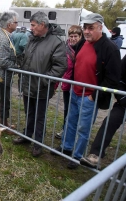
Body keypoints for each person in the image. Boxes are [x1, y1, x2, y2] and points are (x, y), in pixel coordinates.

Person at [54, 13, 121, 169]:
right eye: (85, 27)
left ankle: (77, 156)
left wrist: (93, 96)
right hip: (75, 92)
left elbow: (112, 79)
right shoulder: (83, 43)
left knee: (83, 128)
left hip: (89, 97)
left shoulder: (110, 49)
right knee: (70, 122)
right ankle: (66, 147)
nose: (86, 31)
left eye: (91, 28)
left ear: (100, 27)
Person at [12, 11, 67, 157]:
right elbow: (27, 58)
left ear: (43, 25)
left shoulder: (56, 42)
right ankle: (27, 136)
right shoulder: (32, 39)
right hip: (28, 84)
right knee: (29, 113)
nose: (31, 28)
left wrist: (43, 80)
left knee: (39, 117)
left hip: (41, 88)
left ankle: (38, 144)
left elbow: (60, 67)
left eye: (33, 25)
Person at [80, 55, 126, 169]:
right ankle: (95, 154)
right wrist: (122, 98)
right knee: (109, 122)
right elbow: (118, 77)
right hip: (124, 103)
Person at [0, 10, 19, 134]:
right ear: (9, 24)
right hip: (1, 75)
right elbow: (2, 62)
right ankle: (3, 125)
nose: (17, 25)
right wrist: (16, 67)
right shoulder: (3, 38)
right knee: (5, 100)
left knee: (3, 99)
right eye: (16, 22)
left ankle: (3, 122)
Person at [55, 25, 83, 139]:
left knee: (78, 111)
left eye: (75, 36)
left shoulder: (83, 48)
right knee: (67, 109)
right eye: (71, 36)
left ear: (80, 36)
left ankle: (76, 132)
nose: (73, 39)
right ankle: (65, 129)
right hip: (67, 84)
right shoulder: (65, 48)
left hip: (79, 85)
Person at [12, 26, 29, 95]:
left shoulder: (15, 34)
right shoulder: (24, 35)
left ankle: (8, 88)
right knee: (21, 74)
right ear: (25, 31)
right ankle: (21, 91)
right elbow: (22, 45)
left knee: (11, 71)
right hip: (20, 56)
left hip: (13, 55)